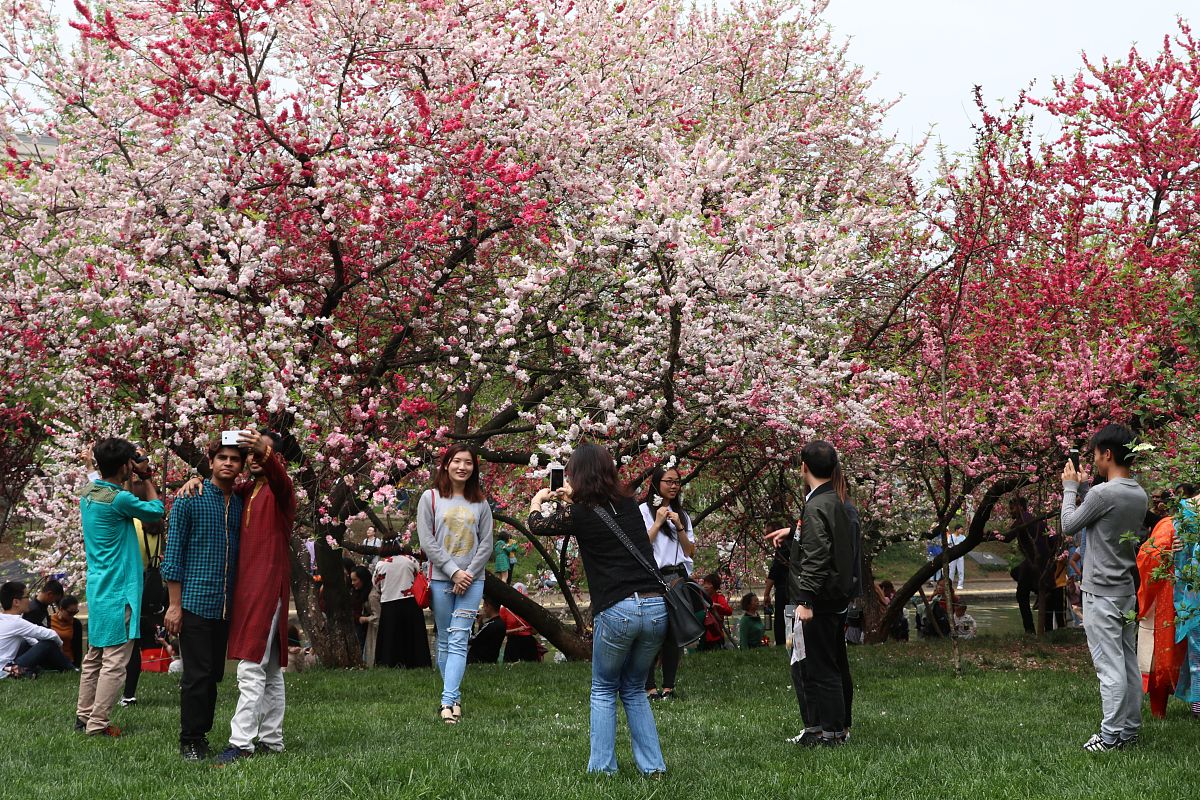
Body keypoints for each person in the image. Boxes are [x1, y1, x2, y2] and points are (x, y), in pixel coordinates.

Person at [528, 443, 668, 776]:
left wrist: (539, 501)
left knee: (604, 688)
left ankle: (604, 769)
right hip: (656, 606)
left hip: (619, 609)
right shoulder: (629, 504)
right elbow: (599, 515)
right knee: (634, 687)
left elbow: (538, 524)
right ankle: (653, 768)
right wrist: (569, 499)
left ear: (576, 475)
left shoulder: (579, 513)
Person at [1061, 424, 1149, 752]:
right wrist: (1085, 489)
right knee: (1126, 663)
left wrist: (1071, 488)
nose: (1094, 459)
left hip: (1100, 593)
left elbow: (1069, 524)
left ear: (1107, 454)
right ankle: (1129, 730)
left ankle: (1110, 737)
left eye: (1096, 453)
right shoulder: (1138, 493)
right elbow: (1102, 519)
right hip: (1125, 591)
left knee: (1107, 666)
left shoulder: (1103, 494)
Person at [162, 436, 245, 761]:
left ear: (240, 467)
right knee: (196, 675)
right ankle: (190, 740)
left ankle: (202, 735)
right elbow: (173, 555)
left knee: (213, 674)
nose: (228, 463)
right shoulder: (189, 499)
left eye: (234, 459)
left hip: (224, 606)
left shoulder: (240, 502)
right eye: (222, 457)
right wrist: (174, 604)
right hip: (193, 602)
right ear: (210, 462)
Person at [767, 440, 854, 748]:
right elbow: (830, 536)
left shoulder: (817, 504)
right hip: (836, 597)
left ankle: (831, 734)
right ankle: (828, 729)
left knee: (819, 667)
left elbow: (817, 557)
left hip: (819, 600)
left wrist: (805, 600)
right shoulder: (836, 499)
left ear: (803, 467)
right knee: (829, 664)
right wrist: (794, 532)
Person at [76, 437, 164, 736]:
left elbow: (97, 479)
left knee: (95, 655)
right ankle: (98, 724)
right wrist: (147, 477)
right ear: (126, 465)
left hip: (98, 586)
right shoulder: (120, 500)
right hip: (121, 588)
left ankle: (84, 715)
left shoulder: (88, 493)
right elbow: (156, 511)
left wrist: (93, 466)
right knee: (115, 660)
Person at [417, 444, 493, 723]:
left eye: (468, 463)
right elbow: (427, 541)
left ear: (474, 469)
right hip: (440, 580)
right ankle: (455, 698)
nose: (462, 467)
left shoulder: (481, 502)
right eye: (457, 461)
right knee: (446, 640)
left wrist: (468, 574)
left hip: (473, 581)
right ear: (447, 464)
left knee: (460, 638)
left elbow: (487, 543)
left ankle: (447, 702)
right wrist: (453, 572)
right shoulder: (431, 498)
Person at [640, 465, 696, 699]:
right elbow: (641, 546)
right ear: (656, 483)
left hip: (676, 579)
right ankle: (649, 686)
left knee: (675, 633)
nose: (673, 486)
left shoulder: (681, 515)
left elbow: (690, 551)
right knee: (652, 632)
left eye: (677, 482)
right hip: (652, 578)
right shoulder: (642, 511)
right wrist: (658, 523)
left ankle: (669, 686)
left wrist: (679, 526)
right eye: (668, 481)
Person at [1, 582, 75, 679]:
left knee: (32, 643)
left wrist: (38, 650)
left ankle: (34, 670)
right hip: (4, 669)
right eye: (27, 596)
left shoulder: (4, 619)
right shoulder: (16, 622)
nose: (29, 600)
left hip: (5, 665)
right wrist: (60, 645)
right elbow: (51, 634)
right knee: (48, 643)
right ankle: (71, 669)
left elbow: (28, 638)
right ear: (16, 602)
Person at [373, 548, 431, 669]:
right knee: (413, 634)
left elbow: (375, 583)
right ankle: (418, 662)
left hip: (389, 602)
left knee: (390, 635)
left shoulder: (381, 564)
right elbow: (421, 576)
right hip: (411, 602)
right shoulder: (410, 560)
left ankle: (388, 662)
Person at [1171, 489, 1200, 719]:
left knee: (1197, 652)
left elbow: (1180, 558)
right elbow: (1179, 554)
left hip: (1193, 591)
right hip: (1195, 591)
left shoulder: (1187, 508)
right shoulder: (1188, 509)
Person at [764, 523, 793, 646]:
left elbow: (774, 572)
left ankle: (784, 642)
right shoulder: (790, 545)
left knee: (783, 617)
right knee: (789, 615)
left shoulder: (784, 547)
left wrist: (766, 594)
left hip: (785, 589)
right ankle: (790, 642)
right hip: (791, 587)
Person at [697, 573, 733, 651]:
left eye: (708, 584)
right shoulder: (701, 598)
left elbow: (729, 611)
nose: (705, 586)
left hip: (715, 634)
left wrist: (717, 606)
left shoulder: (719, 598)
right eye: (704, 583)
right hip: (701, 634)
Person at [467, 596, 506, 664]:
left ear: (489, 606)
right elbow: (483, 637)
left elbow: (472, 640)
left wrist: (468, 625)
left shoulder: (490, 625)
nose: (483, 609)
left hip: (478, 661)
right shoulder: (501, 623)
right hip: (491, 660)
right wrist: (480, 622)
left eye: (484, 606)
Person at [52, 595, 84, 668]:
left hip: (68, 661)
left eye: (75, 612)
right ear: (61, 609)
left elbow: (78, 648)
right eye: (70, 613)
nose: (72, 616)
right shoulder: (49, 621)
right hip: (51, 660)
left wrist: (76, 666)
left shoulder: (76, 624)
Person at [947, 525, 967, 590]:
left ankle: (960, 584)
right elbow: (948, 545)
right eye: (961, 529)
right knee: (951, 570)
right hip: (952, 555)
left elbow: (965, 546)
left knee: (961, 570)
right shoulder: (950, 536)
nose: (962, 531)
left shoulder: (963, 537)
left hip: (960, 555)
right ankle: (950, 584)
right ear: (957, 530)